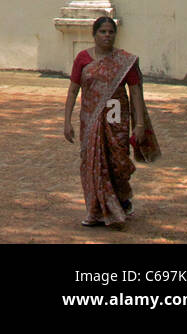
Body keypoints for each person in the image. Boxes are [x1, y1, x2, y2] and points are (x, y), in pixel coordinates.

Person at [64, 15, 157, 228]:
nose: (107, 36)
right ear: (94, 35)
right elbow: (72, 91)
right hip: (90, 121)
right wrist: (66, 121)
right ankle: (96, 211)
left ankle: (121, 201)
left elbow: (135, 93)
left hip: (117, 121)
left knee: (117, 163)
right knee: (92, 164)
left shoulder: (125, 62)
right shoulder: (82, 59)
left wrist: (139, 125)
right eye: (102, 32)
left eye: (111, 32)